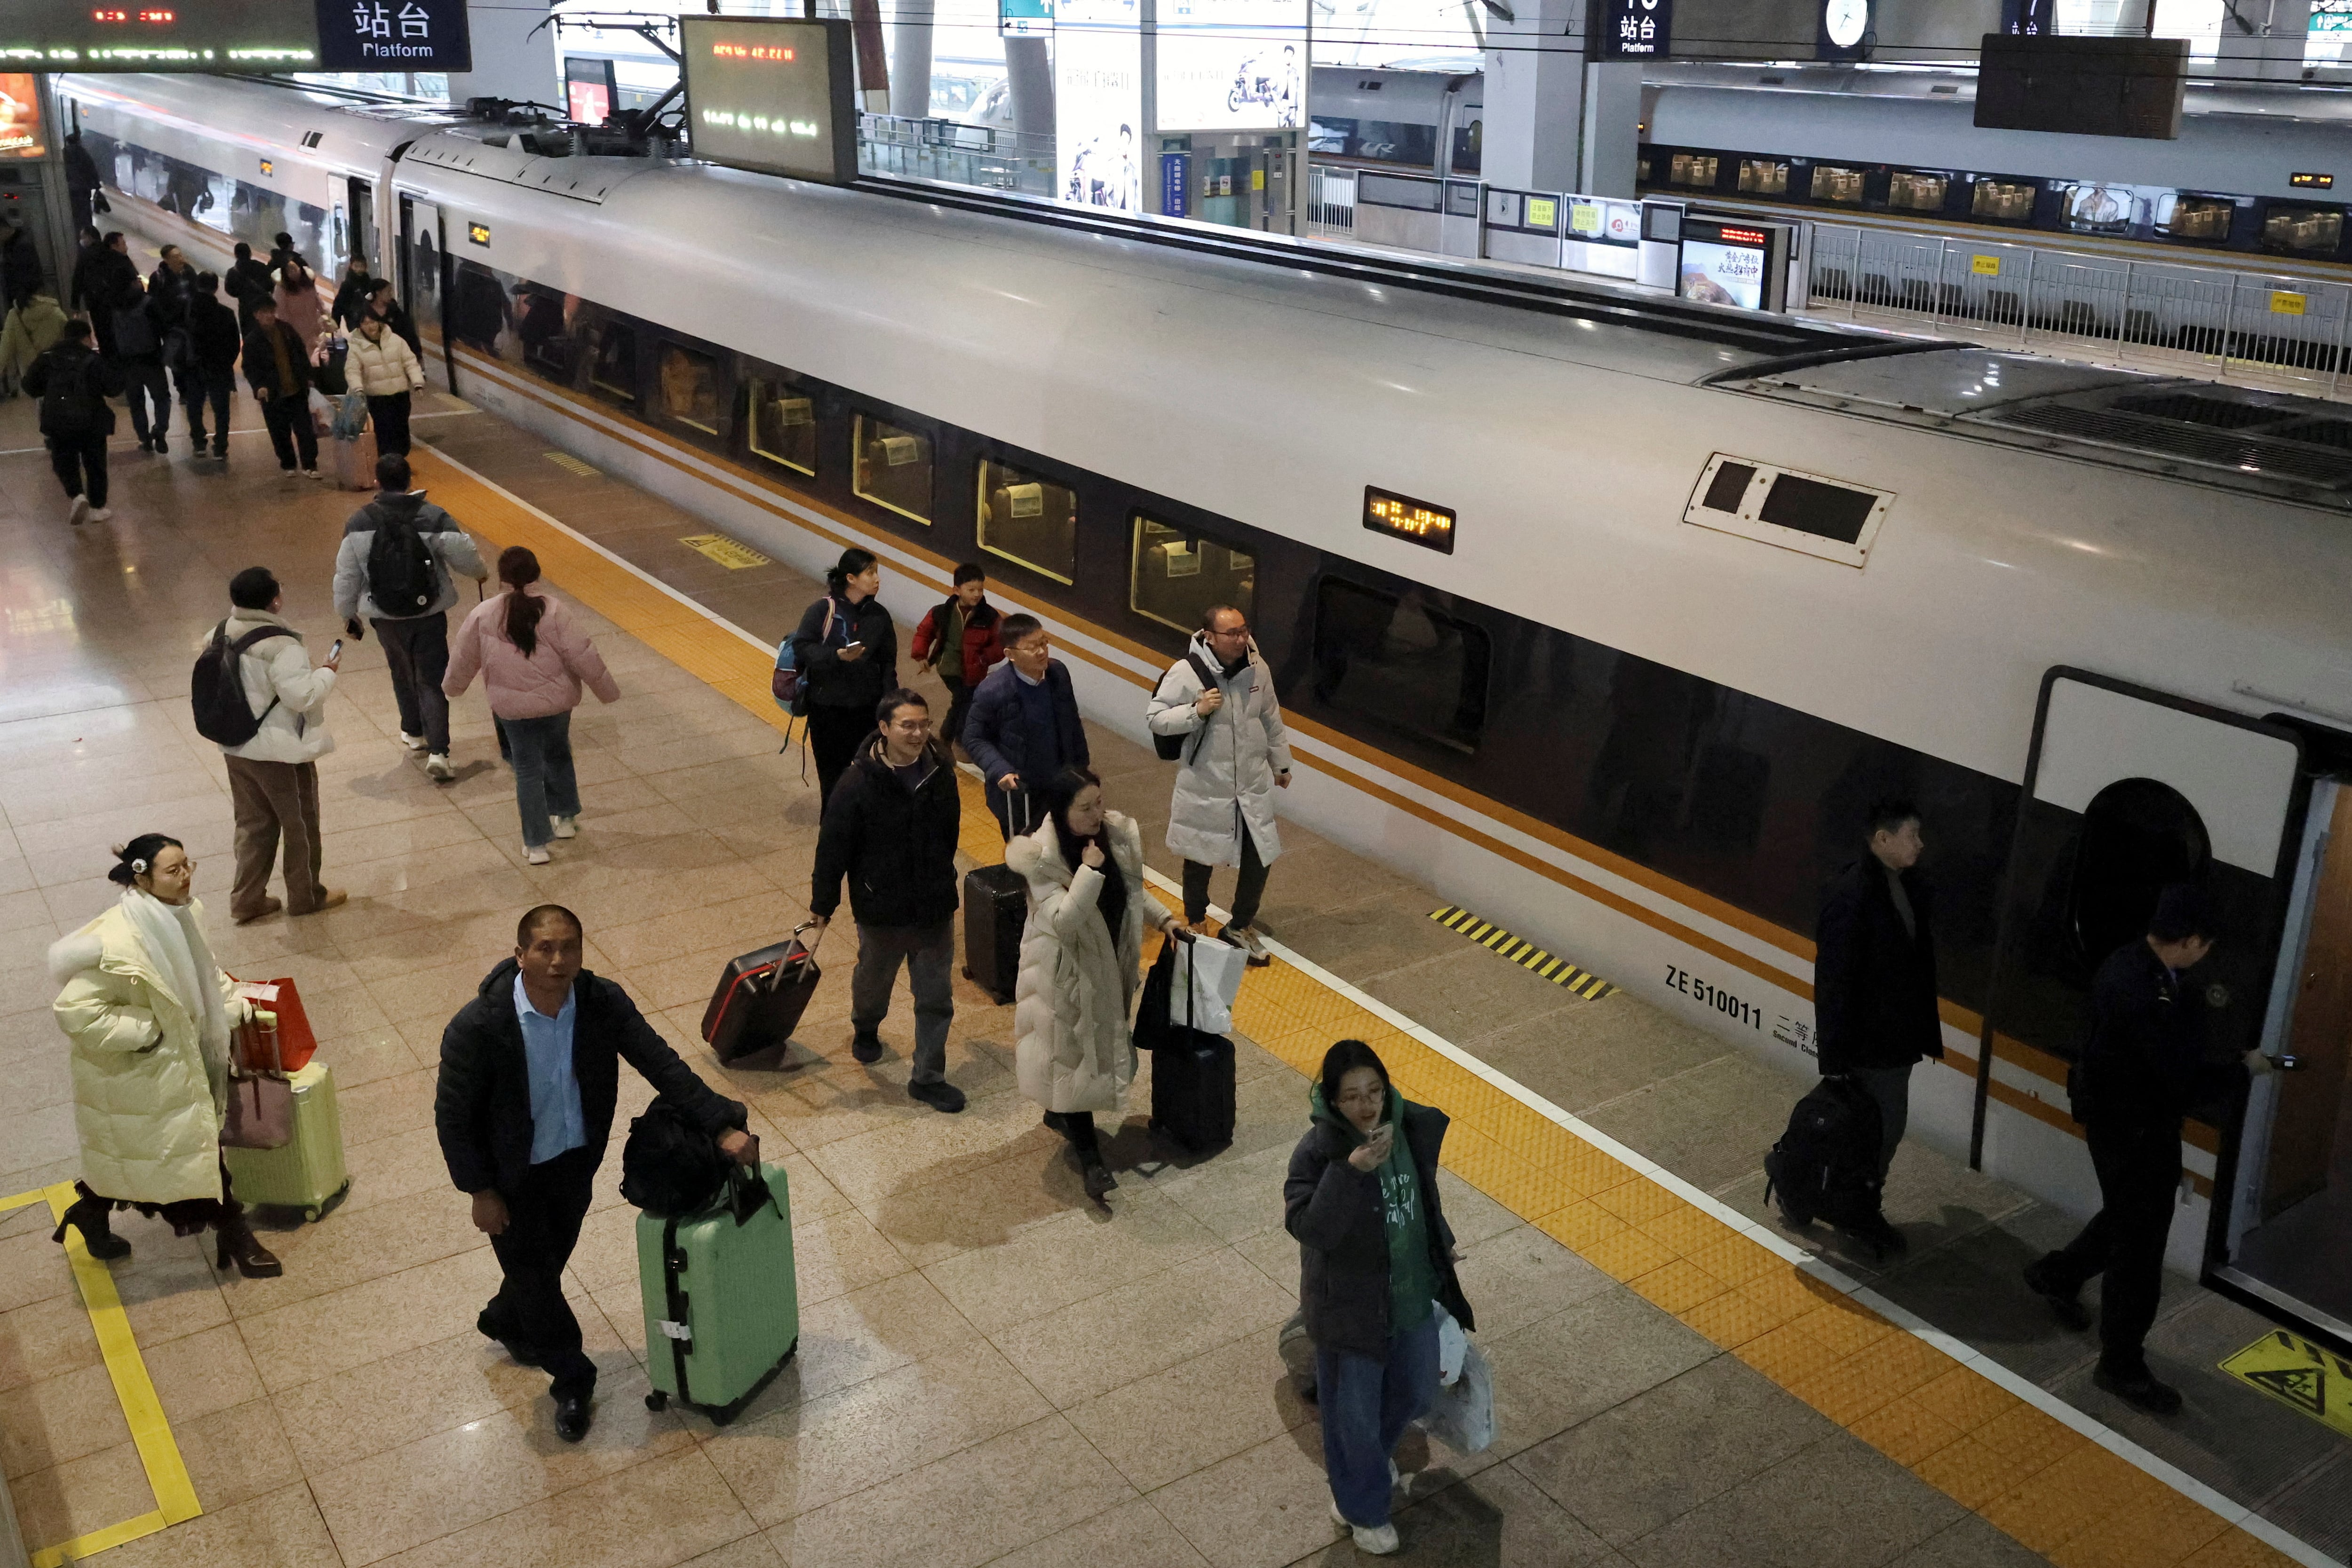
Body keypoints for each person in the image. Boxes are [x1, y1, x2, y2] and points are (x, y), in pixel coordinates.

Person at [436, 903, 756, 1442]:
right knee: (538, 1278)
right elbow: (453, 1118)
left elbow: (660, 1062)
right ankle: (573, 1380)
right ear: (520, 955)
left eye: (570, 948)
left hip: (574, 1160)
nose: (558, 960)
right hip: (512, 1175)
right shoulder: (479, 1026)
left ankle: (504, 1318)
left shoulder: (600, 1001)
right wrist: (480, 1190)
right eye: (544, 948)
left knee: (545, 1262)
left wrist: (720, 1123)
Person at [2021, 886, 2268, 1416]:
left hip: (2117, 1122)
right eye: (2206, 946)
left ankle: (2057, 1275)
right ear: (2191, 941)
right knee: (2139, 1250)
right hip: (2136, 1131)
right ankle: (2120, 1365)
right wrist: (2242, 1072)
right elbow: (2178, 1082)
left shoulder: (2129, 963)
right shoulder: (2147, 995)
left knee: (2127, 1216)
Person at [47, 835, 284, 1279]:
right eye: (173, 871)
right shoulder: (118, 944)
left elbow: (203, 970)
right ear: (142, 878)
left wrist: (229, 1004)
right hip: (141, 1072)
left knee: (148, 1156)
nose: (186, 876)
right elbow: (74, 1010)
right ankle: (235, 1233)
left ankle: (89, 1215)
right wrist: (151, 1031)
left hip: (179, 1063)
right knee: (185, 1151)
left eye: (188, 865)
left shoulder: (185, 912)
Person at [1286, 1039, 1475, 1557]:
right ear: (1332, 1100)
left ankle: (1364, 1467)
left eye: (1374, 1091)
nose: (1366, 1105)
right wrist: (1351, 1171)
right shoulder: (1318, 1151)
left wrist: (1440, 1244)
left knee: (1417, 1391)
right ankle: (1363, 1508)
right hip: (1349, 1309)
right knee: (1352, 1417)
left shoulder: (1406, 1129)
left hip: (1409, 1294)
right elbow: (1310, 1228)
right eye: (1351, 1096)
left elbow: (1421, 1197)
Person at [1008, 766, 1183, 1200]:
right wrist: (1088, 872)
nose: (1096, 815)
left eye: (1099, 803)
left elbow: (1131, 889)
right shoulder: (1038, 856)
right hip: (1064, 974)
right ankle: (1092, 1162)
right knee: (1077, 1059)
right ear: (1060, 810)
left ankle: (1060, 1113)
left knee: (1083, 1052)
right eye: (1084, 808)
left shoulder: (1112, 835)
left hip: (1108, 966)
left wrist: (1164, 920)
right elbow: (1064, 921)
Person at [809, 689, 966, 1112]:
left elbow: (950, 834)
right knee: (874, 981)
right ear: (884, 728)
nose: (918, 734)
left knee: (935, 997)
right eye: (907, 725)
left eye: (924, 724)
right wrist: (823, 904)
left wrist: (941, 877)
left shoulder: (942, 773)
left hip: (933, 907)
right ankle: (866, 1026)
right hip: (881, 908)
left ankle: (928, 1077)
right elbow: (833, 847)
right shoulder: (857, 782)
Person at [443, 546, 620, 864]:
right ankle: (565, 818)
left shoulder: (485, 613)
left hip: (512, 709)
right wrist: (607, 691)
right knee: (559, 754)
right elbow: (583, 654)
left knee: (527, 771)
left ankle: (536, 845)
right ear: (536, 574)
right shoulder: (555, 610)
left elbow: (463, 657)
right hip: (557, 704)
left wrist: (452, 688)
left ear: (502, 577)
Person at [1812, 798, 1941, 1214]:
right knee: (1883, 1127)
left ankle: (1849, 1196)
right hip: (1871, 1043)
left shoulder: (1901, 884)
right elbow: (1833, 982)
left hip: (1895, 1038)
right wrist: (1833, 1060)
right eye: (1912, 835)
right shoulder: (1853, 895)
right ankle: (1857, 1203)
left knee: (1878, 1125)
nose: (1920, 844)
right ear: (1883, 840)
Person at [1145, 604, 1294, 963]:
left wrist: (1281, 763)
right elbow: (1156, 718)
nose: (1241, 639)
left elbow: (1270, 717)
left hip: (1251, 785)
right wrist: (1195, 711)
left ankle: (1240, 925)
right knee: (1200, 856)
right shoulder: (1185, 672)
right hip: (1206, 784)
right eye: (1232, 633)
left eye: (1244, 630)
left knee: (1260, 856)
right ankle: (1196, 920)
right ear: (1209, 637)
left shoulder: (1258, 668)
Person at [334, 453, 487, 779]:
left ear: (377, 482)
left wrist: (348, 614)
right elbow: (464, 554)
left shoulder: (358, 522)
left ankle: (414, 732)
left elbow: (347, 576)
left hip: (384, 616)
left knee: (401, 670)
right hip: (428, 612)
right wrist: (480, 573)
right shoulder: (433, 516)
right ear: (410, 481)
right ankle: (440, 752)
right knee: (431, 678)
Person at [214, 567, 346, 923]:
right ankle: (306, 896)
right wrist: (327, 672)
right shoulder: (282, 646)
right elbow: (303, 697)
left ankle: (247, 900)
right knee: (301, 825)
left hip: (236, 747)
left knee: (253, 825)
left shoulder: (220, 632)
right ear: (274, 601)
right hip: (280, 754)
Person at [964, 612, 1088, 840]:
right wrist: (1001, 770)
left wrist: (1083, 773)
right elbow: (974, 738)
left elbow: (1072, 724)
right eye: (1032, 647)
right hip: (1020, 794)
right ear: (1010, 655)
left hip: (1061, 786)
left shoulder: (1058, 674)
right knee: (1027, 855)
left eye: (1044, 643)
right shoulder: (993, 690)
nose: (1042, 652)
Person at [791, 547, 898, 807]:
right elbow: (802, 647)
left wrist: (891, 707)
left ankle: (862, 827)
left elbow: (888, 664)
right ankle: (831, 827)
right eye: (870, 573)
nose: (877, 579)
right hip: (828, 711)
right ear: (851, 578)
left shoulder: (879, 615)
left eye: (877, 572)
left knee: (869, 776)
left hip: (867, 711)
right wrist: (836, 656)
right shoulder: (822, 610)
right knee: (833, 780)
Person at [23, 319, 122, 526]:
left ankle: (76, 494)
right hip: (91, 419)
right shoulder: (93, 359)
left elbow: (29, 386)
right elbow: (113, 388)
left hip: (58, 420)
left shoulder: (47, 358)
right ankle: (97, 508)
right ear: (86, 338)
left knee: (64, 460)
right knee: (95, 462)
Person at [909, 562, 1003, 747]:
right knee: (965, 700)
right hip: (949, 667)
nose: (977, 594)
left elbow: (1001, 643)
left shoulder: (990, 616)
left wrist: (984, 658)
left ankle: (950, 738)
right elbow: (924, 633)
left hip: (975, 669)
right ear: (957, 590)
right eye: (971, 590)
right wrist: (921, 655)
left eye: (980, 590)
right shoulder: (941, 612)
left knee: (964, 701)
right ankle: (957, 738)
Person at [242, 296, 322, 479]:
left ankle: (310, 464)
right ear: (257, 315)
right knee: (279, 432)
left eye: (272, 311)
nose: (270, 316)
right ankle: (288, 463)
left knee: (305, 429)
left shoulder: (287, 330)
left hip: (296, 389)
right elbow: (250, 368)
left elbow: (301, 354)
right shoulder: (253, 340)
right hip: (272, 394)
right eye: (265, 312)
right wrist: (258, 387)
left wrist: (308, 377)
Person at [110, 268, 172, 455]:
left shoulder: (114, 306)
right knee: (162, 398)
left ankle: (144, 438)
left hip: (128, 363)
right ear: (132, 283)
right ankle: (160, 429)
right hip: (151, 360)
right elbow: (164, 329)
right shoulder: (148, 303)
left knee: (136, 403)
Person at [347, 309, 425, 456]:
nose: (370, 326)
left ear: (379, 321)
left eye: (373, 322)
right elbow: (353, 371)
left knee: (401, 429)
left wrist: (417, 383)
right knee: (384, 431)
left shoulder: (396, 340)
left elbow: (410, 363)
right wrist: (358, 388)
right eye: (365, 323)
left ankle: (400, 458)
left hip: (400, 395)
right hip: (377, 398)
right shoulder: (356, 348)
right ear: (360, 326)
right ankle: (387, 460)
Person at [182, 273, 241, 461]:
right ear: (217, 288)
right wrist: (226, 363)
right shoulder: (226, 313)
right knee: (221, 409)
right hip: (219, 367)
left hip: (194, 366)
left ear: (197, 285)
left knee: (194, 405)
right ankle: (221, 446)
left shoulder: (187, 312)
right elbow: (234, 344)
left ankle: (199, 442)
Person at [1, 290, 66, 400]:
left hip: (33, 371)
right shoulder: (55, 311)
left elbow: (5, 348)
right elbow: (69, 336)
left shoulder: (14, 316)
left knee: (41, 402)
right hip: (57, 367)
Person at [274, 260, 327, 356]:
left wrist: (326, 316)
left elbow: (317, 300)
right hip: (296, 331)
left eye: (295, 269)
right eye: (289, 271)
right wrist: (289, 332)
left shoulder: (308, 282)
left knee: (317, 355)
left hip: (314, 326)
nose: (293, 273)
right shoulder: (281, 288)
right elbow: (281, 312)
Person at [224, 241, 275, 334]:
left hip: (245, 308)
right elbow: (271, 284)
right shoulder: (261, 266)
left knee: (248, 334)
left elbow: (230, 290)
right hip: (262, 306)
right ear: (250, 253)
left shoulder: (233, 272)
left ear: (236, 255)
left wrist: (242, 293)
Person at [366, 278, 422, 358]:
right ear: (378, 293)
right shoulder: (366, 313)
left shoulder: (394, 311)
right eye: (388, 292)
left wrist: (417, 354)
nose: (391, 294)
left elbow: (409, 333)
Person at [64, 131, 101, 234]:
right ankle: (87, 233)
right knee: (85, 213)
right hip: (83, 189)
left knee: (74, 213)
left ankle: (76, 233)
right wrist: (96, 185)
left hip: (70, 190)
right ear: (78, 141)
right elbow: (92, 169)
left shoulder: (64, 154)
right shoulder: (83, 153)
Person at [0, 214, 41, 309]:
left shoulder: (22, 246)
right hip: (18, 298)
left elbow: (26, 275)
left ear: (4, 229)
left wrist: (21, 300)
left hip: (24, 299)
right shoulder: (10, 245)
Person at [330, 255, 374, 329]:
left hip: (370, 319)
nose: (359, 269)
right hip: (354, 321)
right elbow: (338, 306)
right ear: (351, 266)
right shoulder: (347, 285)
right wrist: (335, 324)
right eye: (356, 266)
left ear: (366, 267)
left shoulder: (370, 283)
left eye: (362, 266)